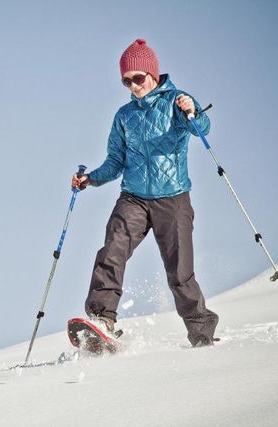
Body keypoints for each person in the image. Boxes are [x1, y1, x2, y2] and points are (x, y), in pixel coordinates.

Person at [72, 38, 219, 347]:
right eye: (126, 80)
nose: (133, 85)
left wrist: (192, 110)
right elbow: (115, 161)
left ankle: (202, 333)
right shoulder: (124, 116)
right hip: (134, 198)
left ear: (153, 74)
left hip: (173, 199)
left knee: (180, 273)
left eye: (138, 78)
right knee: (113, 249)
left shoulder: (176, 101)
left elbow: (200, 128)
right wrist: (90, 179)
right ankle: (102, 320)